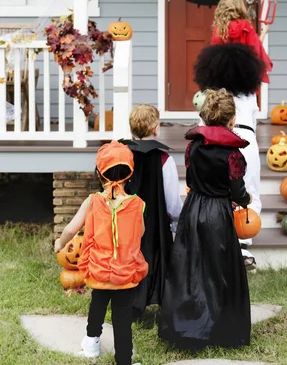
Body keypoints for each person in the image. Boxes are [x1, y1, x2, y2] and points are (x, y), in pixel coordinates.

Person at [158, 88, 252, 349]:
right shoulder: (233, 155)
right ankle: (220, 330)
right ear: (231, 120)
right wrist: (245, 200)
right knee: (219, 271)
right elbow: (237, 191)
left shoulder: (193, 147)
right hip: (218, 214)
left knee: (191, 269)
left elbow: (190, 180)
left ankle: (188, 327)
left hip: (194, 209)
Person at [54, 141, 148, 365]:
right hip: (125, 274)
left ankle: (91, 345)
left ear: (99, 173)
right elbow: (141, 232)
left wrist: (60, 242)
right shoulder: (138, 204)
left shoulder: (92, 201)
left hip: (98, 270)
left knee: (97, 308)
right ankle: (124, 359)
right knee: (122, 318)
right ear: (130, 174)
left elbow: (71, 228)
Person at [194, 42, 265, 270]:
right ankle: (243, 245)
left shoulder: (209, 95)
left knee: (214, 190)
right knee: (248, 190)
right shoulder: (250, 95)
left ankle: (216, 244)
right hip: (245, 140)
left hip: (212, 138)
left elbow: (203, 118)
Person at [121, 104, 182, 317]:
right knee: (154, 259)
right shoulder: (164, 159)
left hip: (126, 222)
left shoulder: (122, 155)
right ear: (156, 128)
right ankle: (156, 298)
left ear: (131, 129)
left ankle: (128, 302)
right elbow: (172, 199)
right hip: (155, 224)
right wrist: (175, 222)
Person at [210, 0, 273, 82]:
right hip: (245, 81)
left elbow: (214, 59)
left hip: (224, 81)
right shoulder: (246, 27)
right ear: (240, 8)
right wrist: (264, 33)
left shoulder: (219, 30)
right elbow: (255, 51)